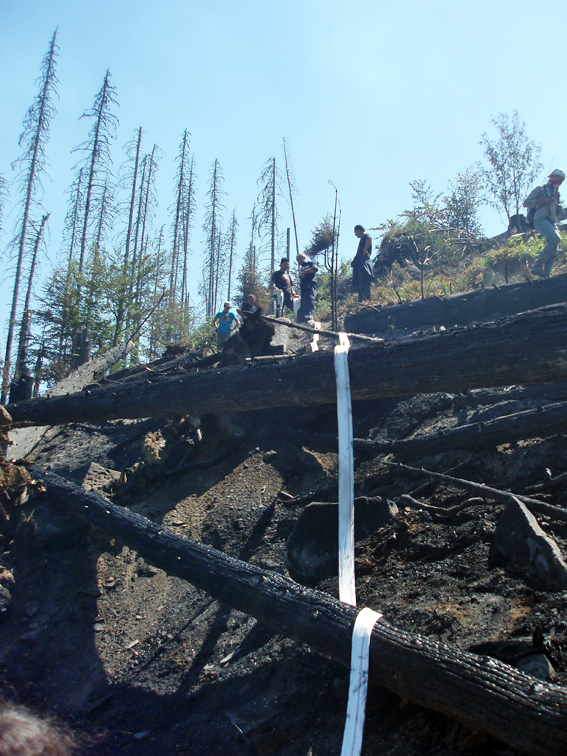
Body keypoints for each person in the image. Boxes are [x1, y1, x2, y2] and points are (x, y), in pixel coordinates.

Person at [524, 169, 565, 277]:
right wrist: (543, 201)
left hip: (551, 222)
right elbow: (526, 203)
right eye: (557, 177)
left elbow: (553, 211)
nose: (558, 181)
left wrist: (558, 209)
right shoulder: (540, 189)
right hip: (540, 219)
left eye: (561, 180)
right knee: (555, 239)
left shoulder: (557, 195)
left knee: (554, 250)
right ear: (551, 177)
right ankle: (537, 266)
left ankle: (546, 274)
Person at [351, 225, 374, 301]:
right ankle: (362, 301)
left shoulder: (365, 236)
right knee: (360, 284)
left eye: (356, 232)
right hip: (360, 263)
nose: (355, 235)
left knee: (364, 283)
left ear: (359, 230)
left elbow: (369, 239)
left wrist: (364, 251)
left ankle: (366, 300)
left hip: (364, 264)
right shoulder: (362, 239)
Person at [296, 252, 318, 324]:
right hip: (304, 287)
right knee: (304, 302)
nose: (298, 261)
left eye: (299, 259)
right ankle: (304, 320)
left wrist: (305, 272)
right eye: (297, 260)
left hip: (310, 285)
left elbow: (315, 268)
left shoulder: (309, 264)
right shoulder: (302, 268)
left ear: (304, 258)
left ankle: (309, 319)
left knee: (309, 300)